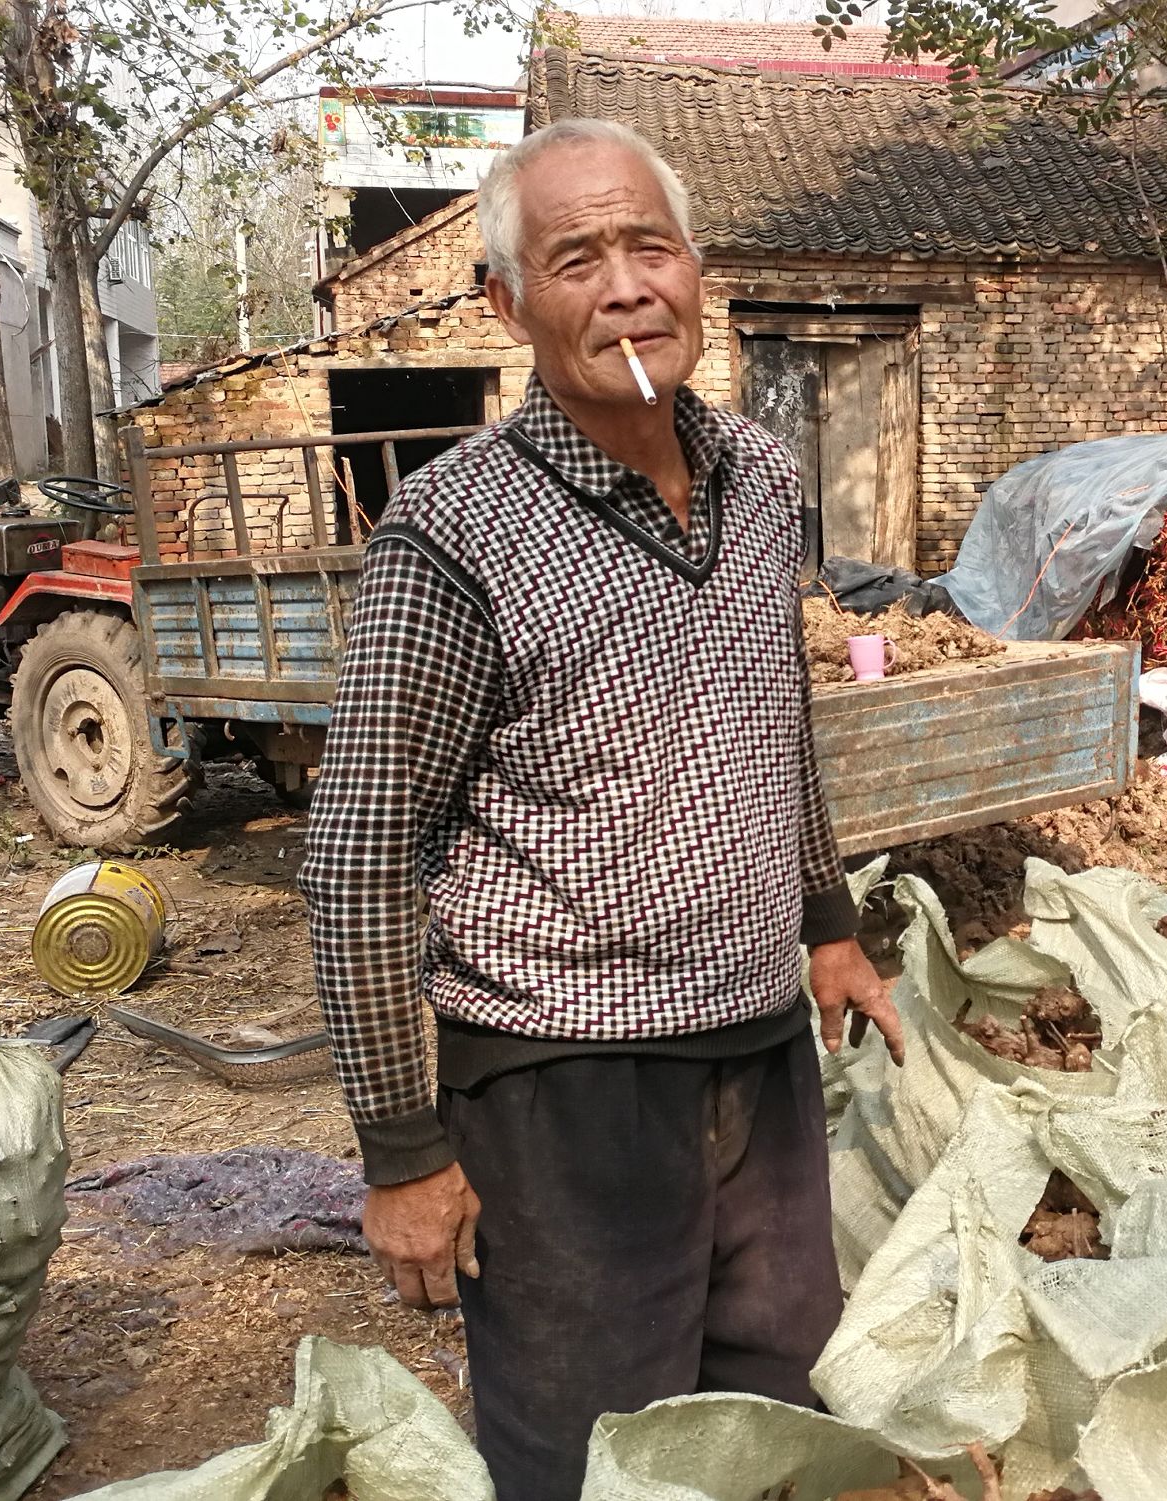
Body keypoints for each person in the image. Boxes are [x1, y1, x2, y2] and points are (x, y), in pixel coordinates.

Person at [297, 119, 904, 1501]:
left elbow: (774, 721)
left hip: (755, 1053)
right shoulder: (450, 537)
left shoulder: (757, 480)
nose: (627, 287)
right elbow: (356, 861)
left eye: (651, 245)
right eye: (577, 259)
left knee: (770, 1410)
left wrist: (825, 925)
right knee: (588, 1457)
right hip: (562, 1082)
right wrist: (403, 1149)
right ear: (508, 307)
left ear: (698, 272)